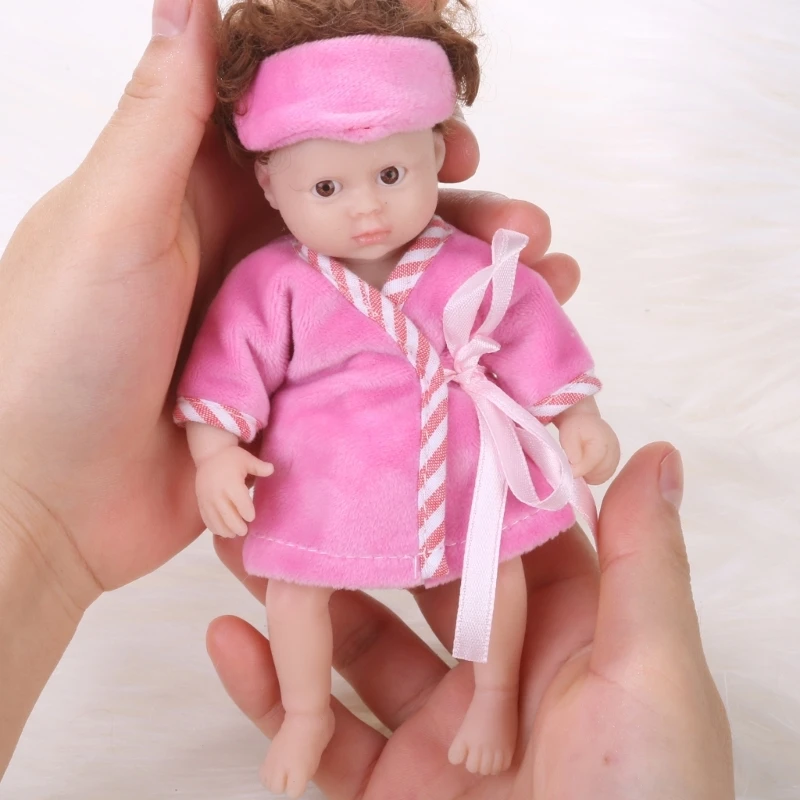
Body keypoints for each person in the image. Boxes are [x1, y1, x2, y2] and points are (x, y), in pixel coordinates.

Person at [0, 0, 734, 797]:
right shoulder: (273, 282)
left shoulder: (470, 265)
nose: (366, 208)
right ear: (269, 185)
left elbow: (529, 329)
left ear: (436, 152)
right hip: (321, 476)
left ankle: (493, 700)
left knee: (497, 569)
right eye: (326, 185)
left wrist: (574, 414)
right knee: (294, 591)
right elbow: (227, 367)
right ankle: (306, 713)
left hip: (457, 463)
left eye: (391, 175)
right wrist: (214, 455)